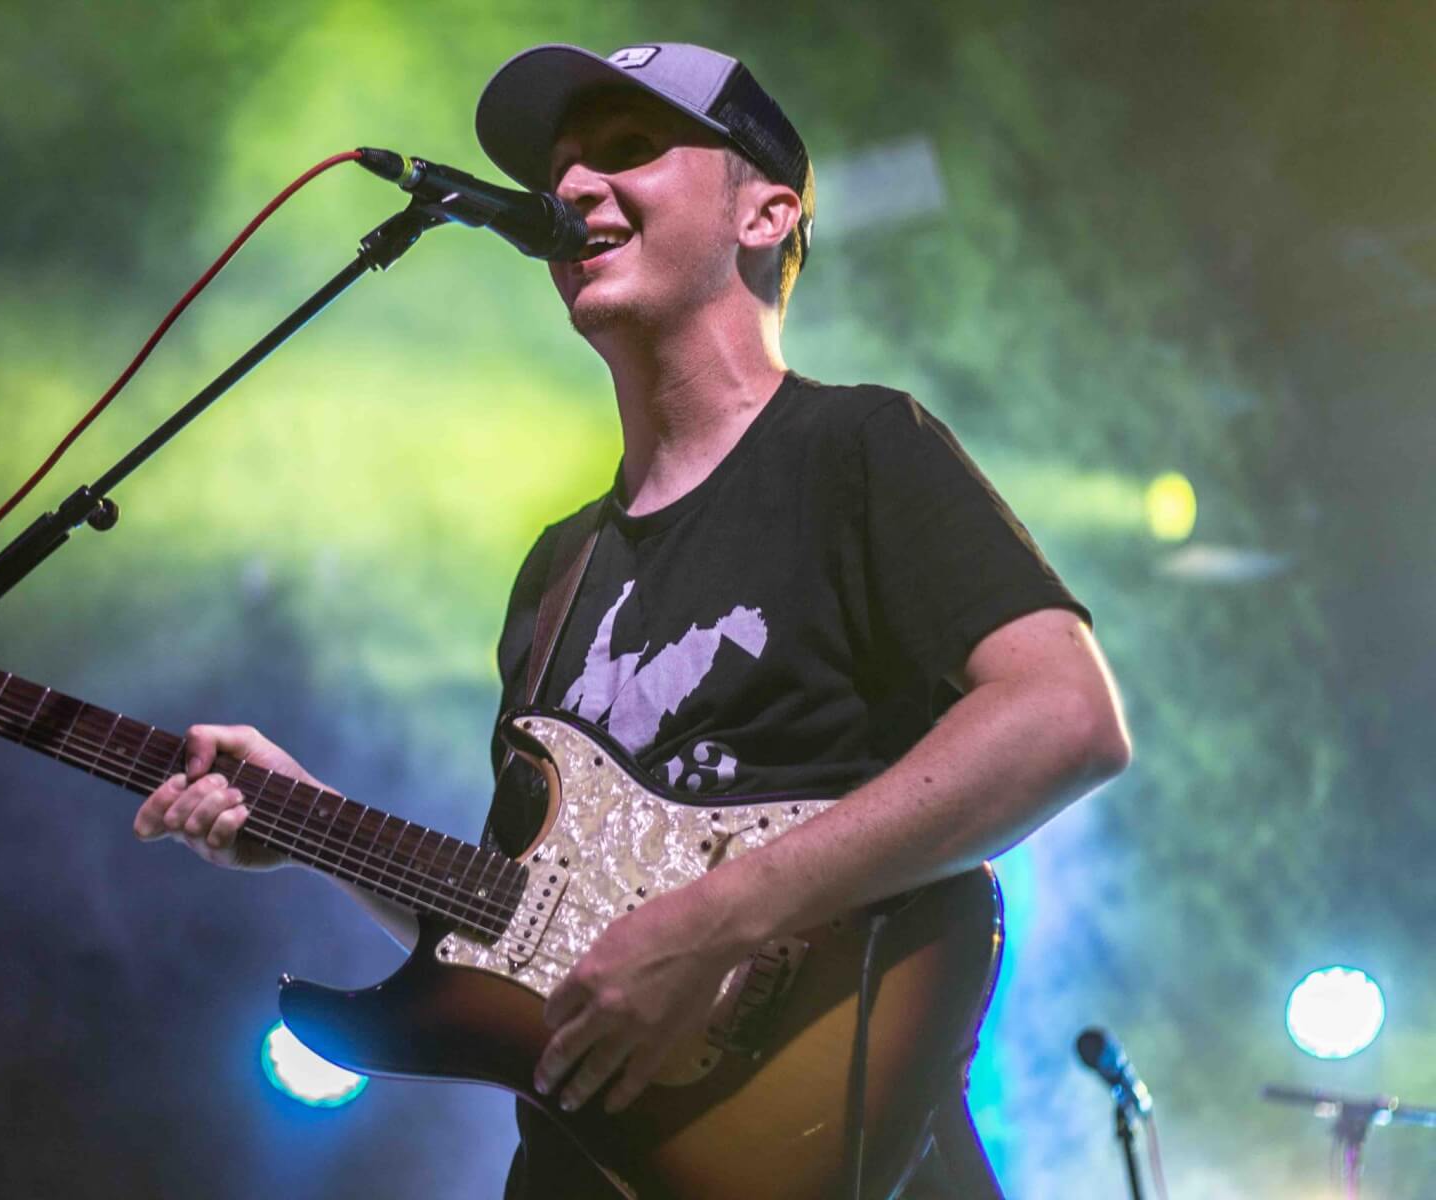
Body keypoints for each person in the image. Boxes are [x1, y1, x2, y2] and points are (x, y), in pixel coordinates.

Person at [131, 41, 1132, 1200]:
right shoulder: (558, 570)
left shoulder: (857, 451)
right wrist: (306, 820)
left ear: (765, 214)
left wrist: (713, 923)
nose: (569, 190)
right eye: (561, 167)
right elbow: (540, 919)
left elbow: (1066, 717)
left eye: (625, 152)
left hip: (835, 1155)